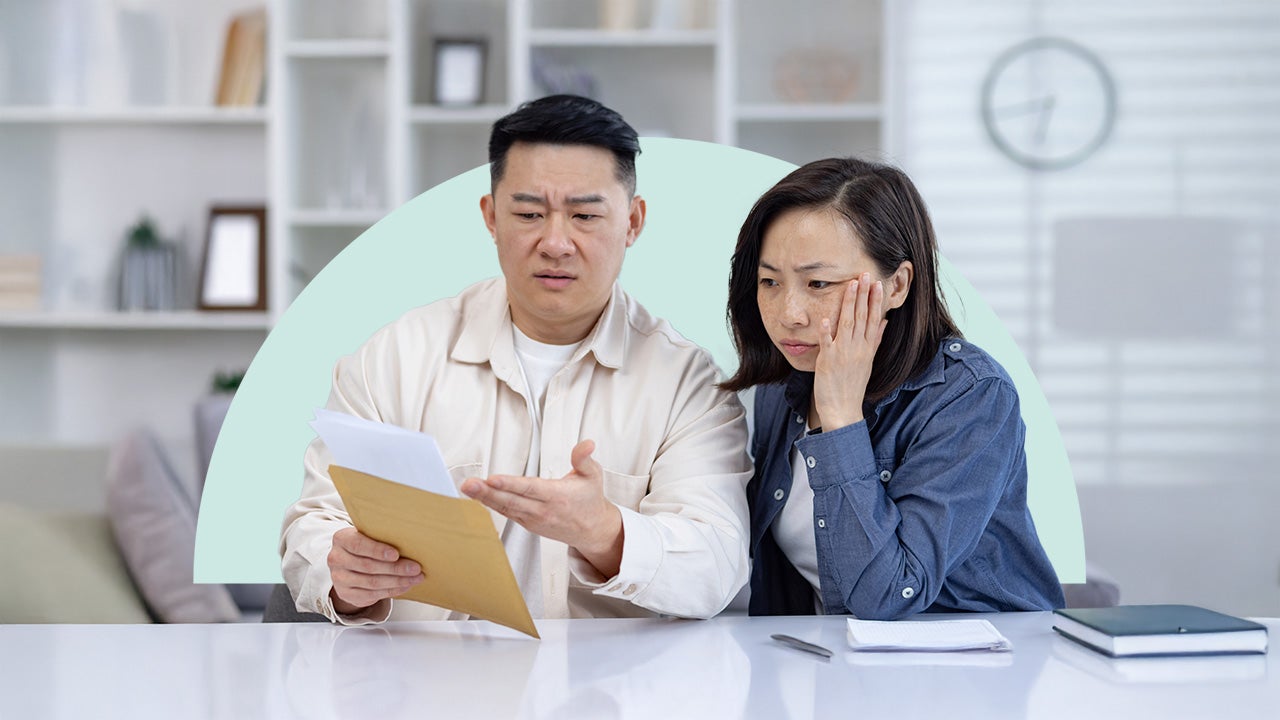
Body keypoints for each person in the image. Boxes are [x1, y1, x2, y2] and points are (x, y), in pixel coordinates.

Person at [281, 95, 751, 624]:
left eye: (585, 215)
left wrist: (604, 532)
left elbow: (717, 565)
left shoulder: (688, 383)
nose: (555, 242)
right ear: (491, 216)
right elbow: (313, 523)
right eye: (529, 214)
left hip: (612, 696)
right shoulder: (394, 358)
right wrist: (343, 573)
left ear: (633, 222)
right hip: (426, 687)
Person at [721, 157, 1064, 619]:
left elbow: (886, 596)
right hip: (840, 666)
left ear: (897, 285)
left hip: (980, 670)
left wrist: (841, 416)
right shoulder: (785, 383)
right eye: (769, 281)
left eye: (818, 282)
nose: (789, 313)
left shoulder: (971, 396)